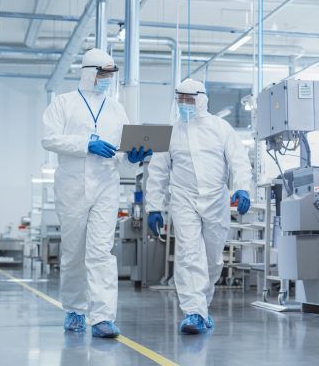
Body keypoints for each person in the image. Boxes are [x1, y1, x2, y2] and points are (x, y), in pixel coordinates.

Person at [42, 48, 151, 338]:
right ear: (89, 72)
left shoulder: (116, 109)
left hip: (106, 185)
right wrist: (86, 144)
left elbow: (123, 155)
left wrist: (134, 157)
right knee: (74, 252)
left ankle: (102, 317)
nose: (107, 79)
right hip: (72, 186)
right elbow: (49, 139)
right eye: (103, 74)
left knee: (101, 252)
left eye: (110, 75)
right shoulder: (63, 103)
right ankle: (75, 310)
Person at [145, 79, 252, 335]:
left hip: (216, 200)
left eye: (189, 99)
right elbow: (157, 171)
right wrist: (154, 206)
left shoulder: (221, 128)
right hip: (183, 198)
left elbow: (239, 160)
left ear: (201, 99)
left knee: (213, 259)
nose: (184, 104)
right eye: (180, 99)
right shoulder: (169, 132)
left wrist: (242, 188)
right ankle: (193, 312)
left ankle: (202, 306)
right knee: (189, 254)